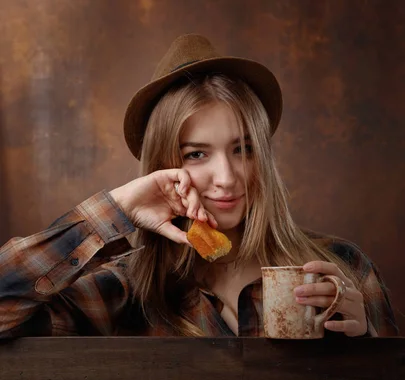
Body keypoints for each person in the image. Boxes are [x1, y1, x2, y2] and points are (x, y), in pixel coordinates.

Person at [0, 34, 399, 338]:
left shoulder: (344, 268)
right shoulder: (126, 289)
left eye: (243, 149)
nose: (226, 178)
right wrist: (118, 207)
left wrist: (368, 348)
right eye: (196, 154)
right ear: (162, 167)